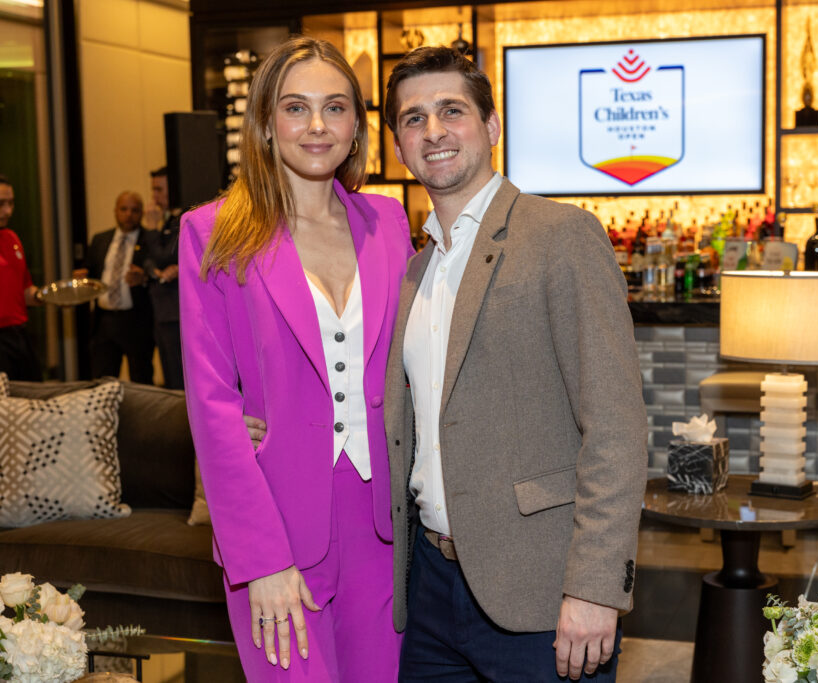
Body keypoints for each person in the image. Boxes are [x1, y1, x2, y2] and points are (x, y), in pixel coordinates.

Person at [381, 47, 648, 682]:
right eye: (414, 118)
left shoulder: (560, 235)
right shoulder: (415, 270)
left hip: (541, 593)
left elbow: (616, 426)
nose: (433, 130)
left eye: (452, 110)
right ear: (398, 145)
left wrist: (595, 588)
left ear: (492, 126)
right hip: (430, 589)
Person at [179, 36, 412, 681]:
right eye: (295, 107)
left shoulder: (389, 223)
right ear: (265, 121)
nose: (317, 126)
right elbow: (211, 401)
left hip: (383, 529)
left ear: (356, 126)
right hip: (275, 523)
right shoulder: (213, 232)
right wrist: (258, 560)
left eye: (335, 107)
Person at [73, 191, 154, 383]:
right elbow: (91, 271)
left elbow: (157, 276)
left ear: (141, 213)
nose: (128, 215)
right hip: (104, 321)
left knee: (141, 380)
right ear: (115, 211)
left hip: (137, 321)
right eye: (124, 209)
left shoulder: (150, 240)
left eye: (134, 210)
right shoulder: (100, 239)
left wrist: (144, 278)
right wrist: (83, 277)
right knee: (103, 380)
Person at [141, 167, 184, 389]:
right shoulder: (165, 221)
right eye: (153, 190)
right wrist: (153, 271)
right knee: (169, 377)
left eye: (159, 190)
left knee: (178, 381)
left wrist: (150, 229)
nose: (154, 197)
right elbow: (148, 258)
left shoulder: (183, 218)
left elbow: (164, 256)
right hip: (161, 309)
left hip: (177, 311)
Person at [0, 174, 43, 381]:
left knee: (33, 393)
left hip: (19, 335)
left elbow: (25, 291)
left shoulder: (12, 238)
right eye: (1, 204)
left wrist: (54, 295)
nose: (8, 211)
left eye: (11, 203)